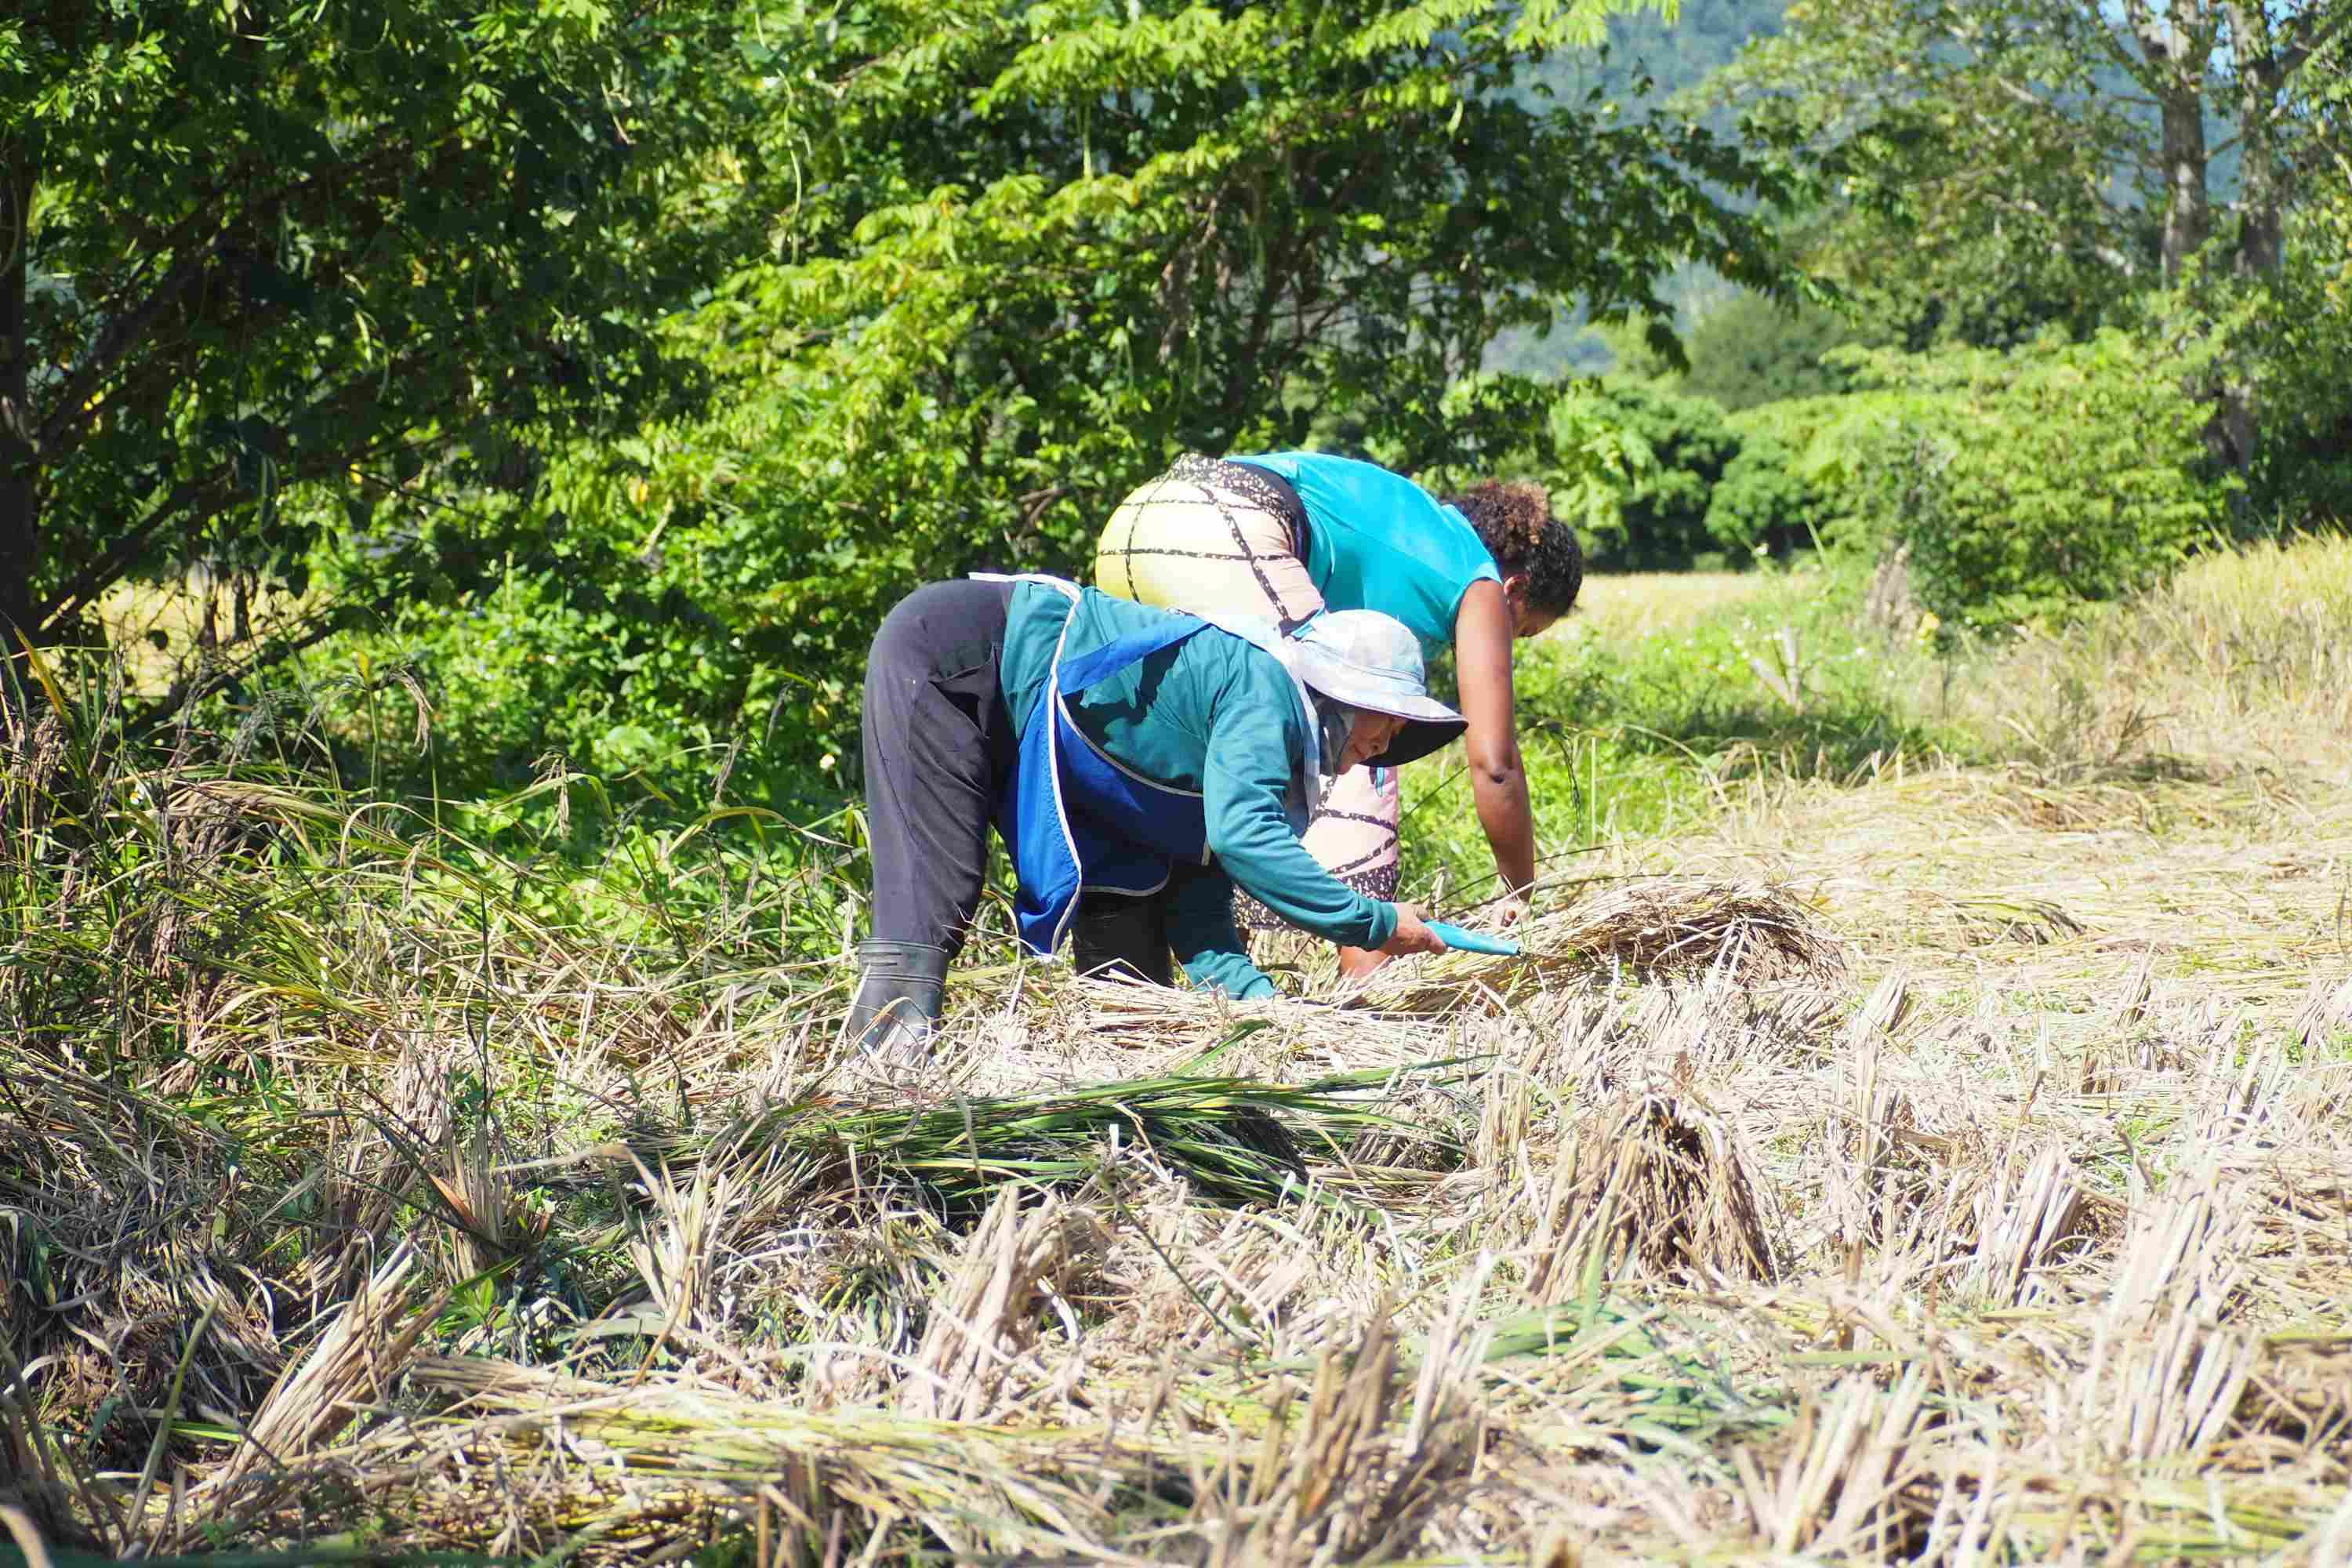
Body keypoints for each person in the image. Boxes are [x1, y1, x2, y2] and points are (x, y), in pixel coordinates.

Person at [845, 573, 1463, 1058]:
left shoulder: (1246, 759)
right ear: (1341, 694)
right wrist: (1374, 923)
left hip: (1041, 732)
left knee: (1133, 985)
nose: (1387, 743)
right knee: (934, 893)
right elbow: (1245, 837)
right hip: (958, 654)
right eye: (1388, 718)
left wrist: (1280, 1025)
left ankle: (1113, 1139)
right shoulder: (1266, 690)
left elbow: (1203, 927)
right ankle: (884, 1100)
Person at [1094, 454, 1583, 975]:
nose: (1509, 642)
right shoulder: (1479, 580)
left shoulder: (1417, 524)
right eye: (1522, 631)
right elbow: (1495, 762)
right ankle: (1368, 1014)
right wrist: (1521, 890)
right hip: (1229, 527)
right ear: (1515, 591)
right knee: (1356, 762)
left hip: (1136, 521)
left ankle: (1169, 989)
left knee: (1196, 760)